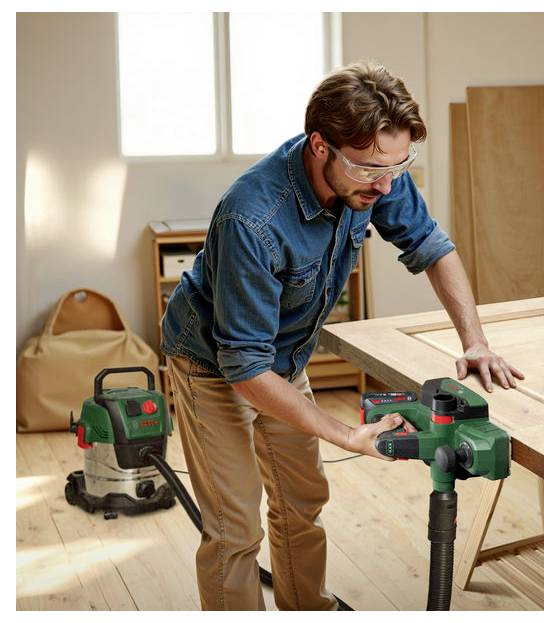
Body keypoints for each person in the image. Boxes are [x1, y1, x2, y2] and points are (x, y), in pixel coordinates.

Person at [161, 60, 524, 611]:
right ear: (319, 146)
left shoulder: (376, 172)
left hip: (281, 357)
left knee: (301, 500)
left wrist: (473, 340)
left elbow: (431, 246)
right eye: (369, 169)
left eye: (399, 165)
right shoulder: (252, 218)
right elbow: (246, 368)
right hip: (213, 363)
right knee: (234, 527)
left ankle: (308, 608)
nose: (384, 184)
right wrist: (345, 433)